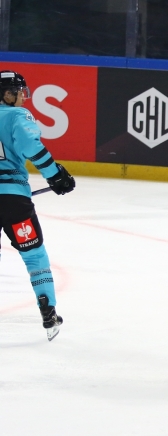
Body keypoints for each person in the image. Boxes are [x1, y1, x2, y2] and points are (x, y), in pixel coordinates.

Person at [0, 70, 75, 341]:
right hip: (14, 201)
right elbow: (31, 146)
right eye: (18, 92)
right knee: (34, 255)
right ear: (6, 94)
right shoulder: (17, 116)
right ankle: (48, 310)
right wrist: (55, 175)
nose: (23, 97)